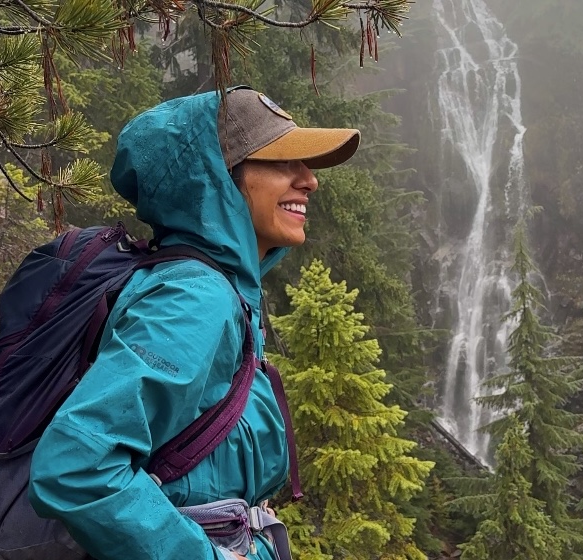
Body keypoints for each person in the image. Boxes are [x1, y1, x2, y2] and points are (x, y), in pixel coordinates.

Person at [27, 86, 360, 560]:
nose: (310, 181)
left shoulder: (222, 291)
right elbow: (75, 467)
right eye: (283, 162)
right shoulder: (195, 298)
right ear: (218, 179)